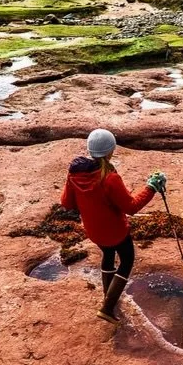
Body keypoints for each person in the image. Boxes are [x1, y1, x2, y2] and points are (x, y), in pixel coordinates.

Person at [59, 128, 166, 324]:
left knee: (108, 256)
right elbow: (131, 207)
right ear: (111, 151)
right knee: (126, 261)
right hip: (116, 231)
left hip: (93, 231)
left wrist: (88, 204)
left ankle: (108, 296)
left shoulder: (75, 174)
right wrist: (151, 187)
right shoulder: (109, 178)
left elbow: (67, 203)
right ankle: (107, 308)